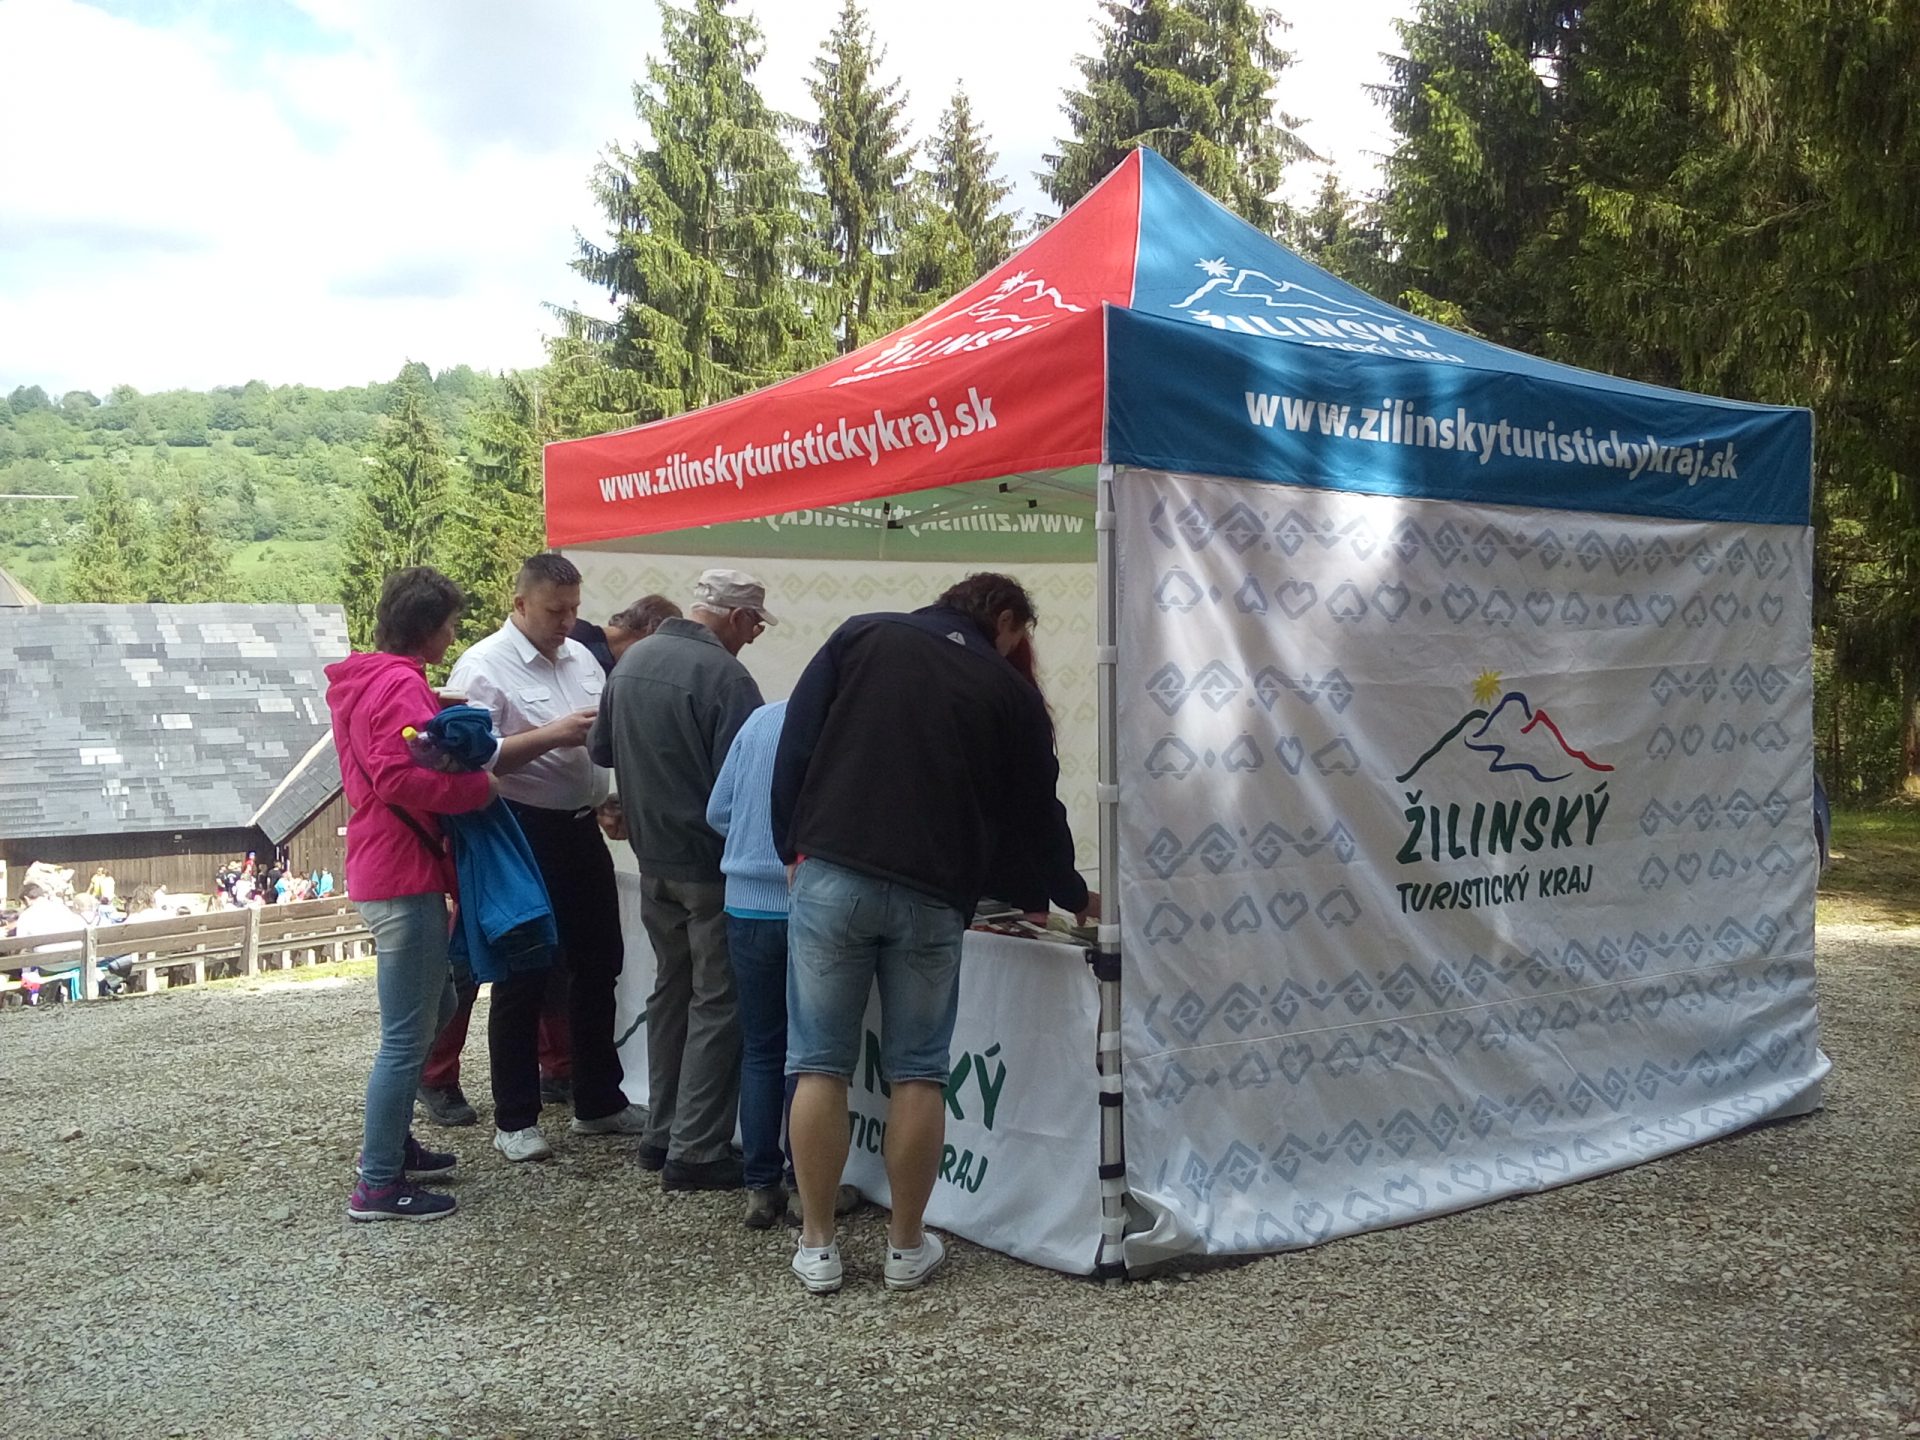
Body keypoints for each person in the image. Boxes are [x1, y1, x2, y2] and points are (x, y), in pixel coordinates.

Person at [771, 572, 1092, 1294]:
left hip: (834, 872)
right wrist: (1070, 894)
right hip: (932, 893)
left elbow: (797, 744)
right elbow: (1036, 812)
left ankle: (818, 1245)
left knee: (818, 1063)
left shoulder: (863, 633)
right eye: (1019, 635)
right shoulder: (1011, 693)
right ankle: (905, 1247)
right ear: (1003, 619)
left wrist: (791, 844)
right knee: (919, 1070)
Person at [447, 552, 644, 1163]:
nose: (567, 622)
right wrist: (553, 734)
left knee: (599, 963)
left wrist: (608, 796)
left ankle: (598, 1101)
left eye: (574, 609)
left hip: (581, 826)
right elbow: (472, 758)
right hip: (520, 830)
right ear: (520, 604)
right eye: (556, 611)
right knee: (523, 973)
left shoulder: (583, 657)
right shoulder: (482, 665)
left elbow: (601, 741)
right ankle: (515, 1118)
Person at [590, 567, 771, 1191]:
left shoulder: (631, 663)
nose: (754, 637)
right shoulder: (727, 677)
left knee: (671, 991)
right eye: (754, 625)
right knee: (718, 1001)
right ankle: (696, 1149)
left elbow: (601, 752)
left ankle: (661, 1132)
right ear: (737, 617)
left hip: (652, 863)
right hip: (711, 867)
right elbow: (748, 781)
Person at [325, 565, 496, 1222]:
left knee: (439, 1002)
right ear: (427, 628)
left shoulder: (370, 680)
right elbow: (398, 776)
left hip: (385, 864)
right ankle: (378, 1183)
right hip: (404, 873)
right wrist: (477, 790)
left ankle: (393, 1144)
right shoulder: (400, 685)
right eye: (449, 624)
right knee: (404, 1037)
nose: (453, 636)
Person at [705, 699, 794, 1228]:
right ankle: (807, 1184)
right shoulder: (840, 720)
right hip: (805, 904)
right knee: (808, 1053)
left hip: (744, 902)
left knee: (761, 1048)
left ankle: (760, 1185)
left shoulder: (760, 719)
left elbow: (717, 811)